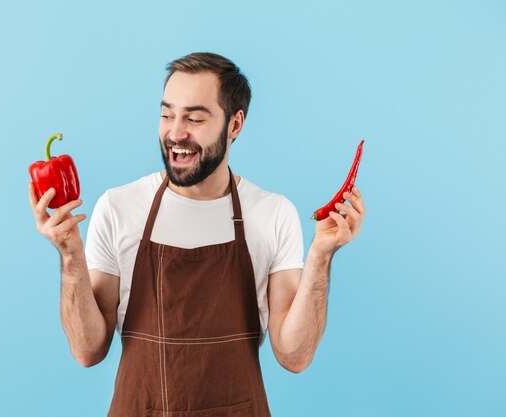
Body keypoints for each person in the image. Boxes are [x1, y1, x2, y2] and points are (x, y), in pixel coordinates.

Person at [28, 52, 365, 416]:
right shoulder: (119, 207)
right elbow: (87, 350)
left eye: (194, 118)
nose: (175, 132)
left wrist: (321, 256)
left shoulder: (272, 213)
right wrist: (70, 255)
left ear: (235, 125)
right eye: (167, 114)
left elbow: (295, 356)